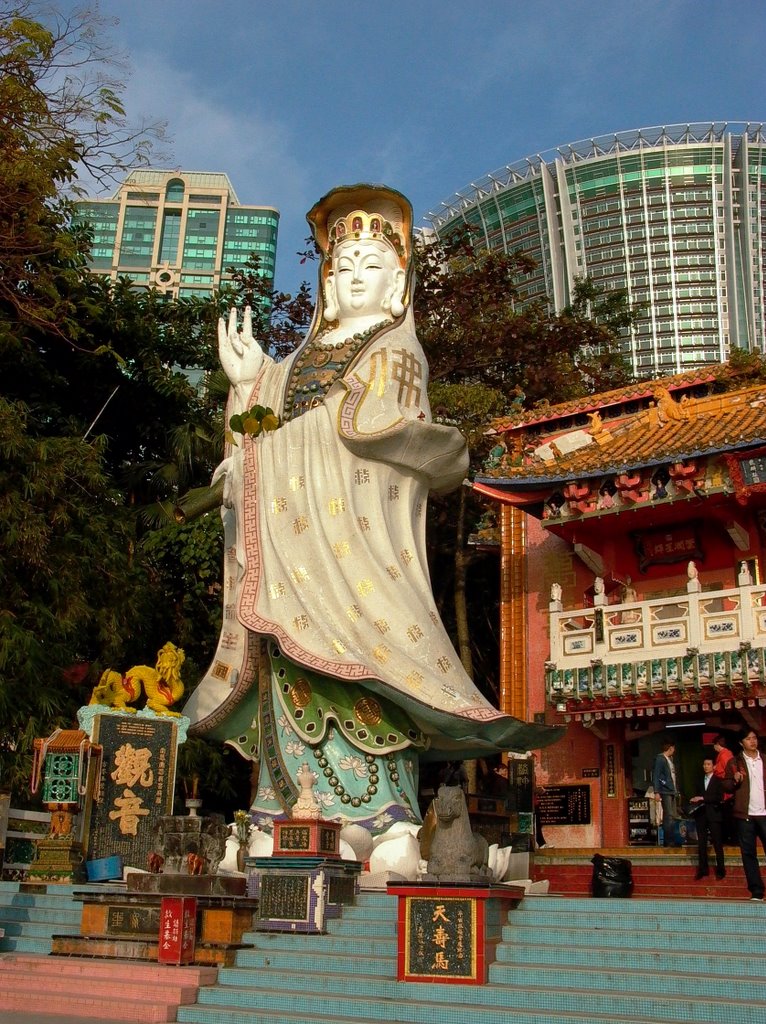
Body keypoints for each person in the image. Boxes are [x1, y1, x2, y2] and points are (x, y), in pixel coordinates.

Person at [182, 183, 559, 834]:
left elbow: (376, 426)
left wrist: (281, 442)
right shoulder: (291, 367)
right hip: (287, 562)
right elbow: (257, 433)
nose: (356, 278)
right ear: (327, 286)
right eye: (344, 266)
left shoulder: (395, 350)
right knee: (285, 674)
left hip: (355, 567)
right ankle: (278, 813)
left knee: (365, 677)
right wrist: (247, 382)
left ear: (397, 286)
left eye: (371, 267)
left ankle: (383, 817)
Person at [725, 728, 766, 900]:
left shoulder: (765, 760)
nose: (752, 741)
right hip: (745, 814)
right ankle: (756, 891)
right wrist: (734, 780)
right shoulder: (735, 762)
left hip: (765, 813)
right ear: (741, 743)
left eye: (754, 738)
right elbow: (726, 786)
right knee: (748, 854)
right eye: (748, 738)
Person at [689, 757, 726, 880]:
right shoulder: (699, 780)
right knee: (701, 843)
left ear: (713, 766)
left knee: (717, 843)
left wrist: (703, 798)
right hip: (701, 815)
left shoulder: (718, 780)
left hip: (714, 814)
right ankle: (703, 869)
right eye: (704, 764)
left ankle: (721, 869)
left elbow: (719, 797)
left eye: (708, 764)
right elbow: (696, 795)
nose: (706, 766)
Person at [653, 740, 681, 847]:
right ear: (670, 748)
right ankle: (668, 841)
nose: (674, 750)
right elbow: (656, 775)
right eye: (673, 748)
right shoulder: (660, 759)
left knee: (672, 815)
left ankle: (672, 839)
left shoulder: (670, 760)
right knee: (668, 815)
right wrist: (657, 791)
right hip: (665, 791)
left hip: (671, 790)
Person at [712, 733, 735, 842]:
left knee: (727, 815)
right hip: (723, 786)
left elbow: (728, 771)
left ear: (717, 745)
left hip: (726, 788)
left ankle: (730, 837)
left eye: (714, 745)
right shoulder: (724, 754)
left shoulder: (725, 754)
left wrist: (716, 769)